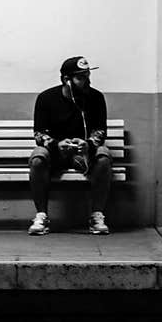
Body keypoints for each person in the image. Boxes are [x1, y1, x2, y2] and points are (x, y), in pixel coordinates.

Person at [28, 56, 112, 235]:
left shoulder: (96, 97)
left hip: (84, 154)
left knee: (104, 156)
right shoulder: (46, 98)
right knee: (37, 157)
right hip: (56, 153)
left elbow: (100, 131)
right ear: (66, 79)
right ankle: (42, 216)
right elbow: (39, 133)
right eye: (80, 78)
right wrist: (56, 144)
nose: (87, 81)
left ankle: (97, 216)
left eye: (87, 76)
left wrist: (88, 143)